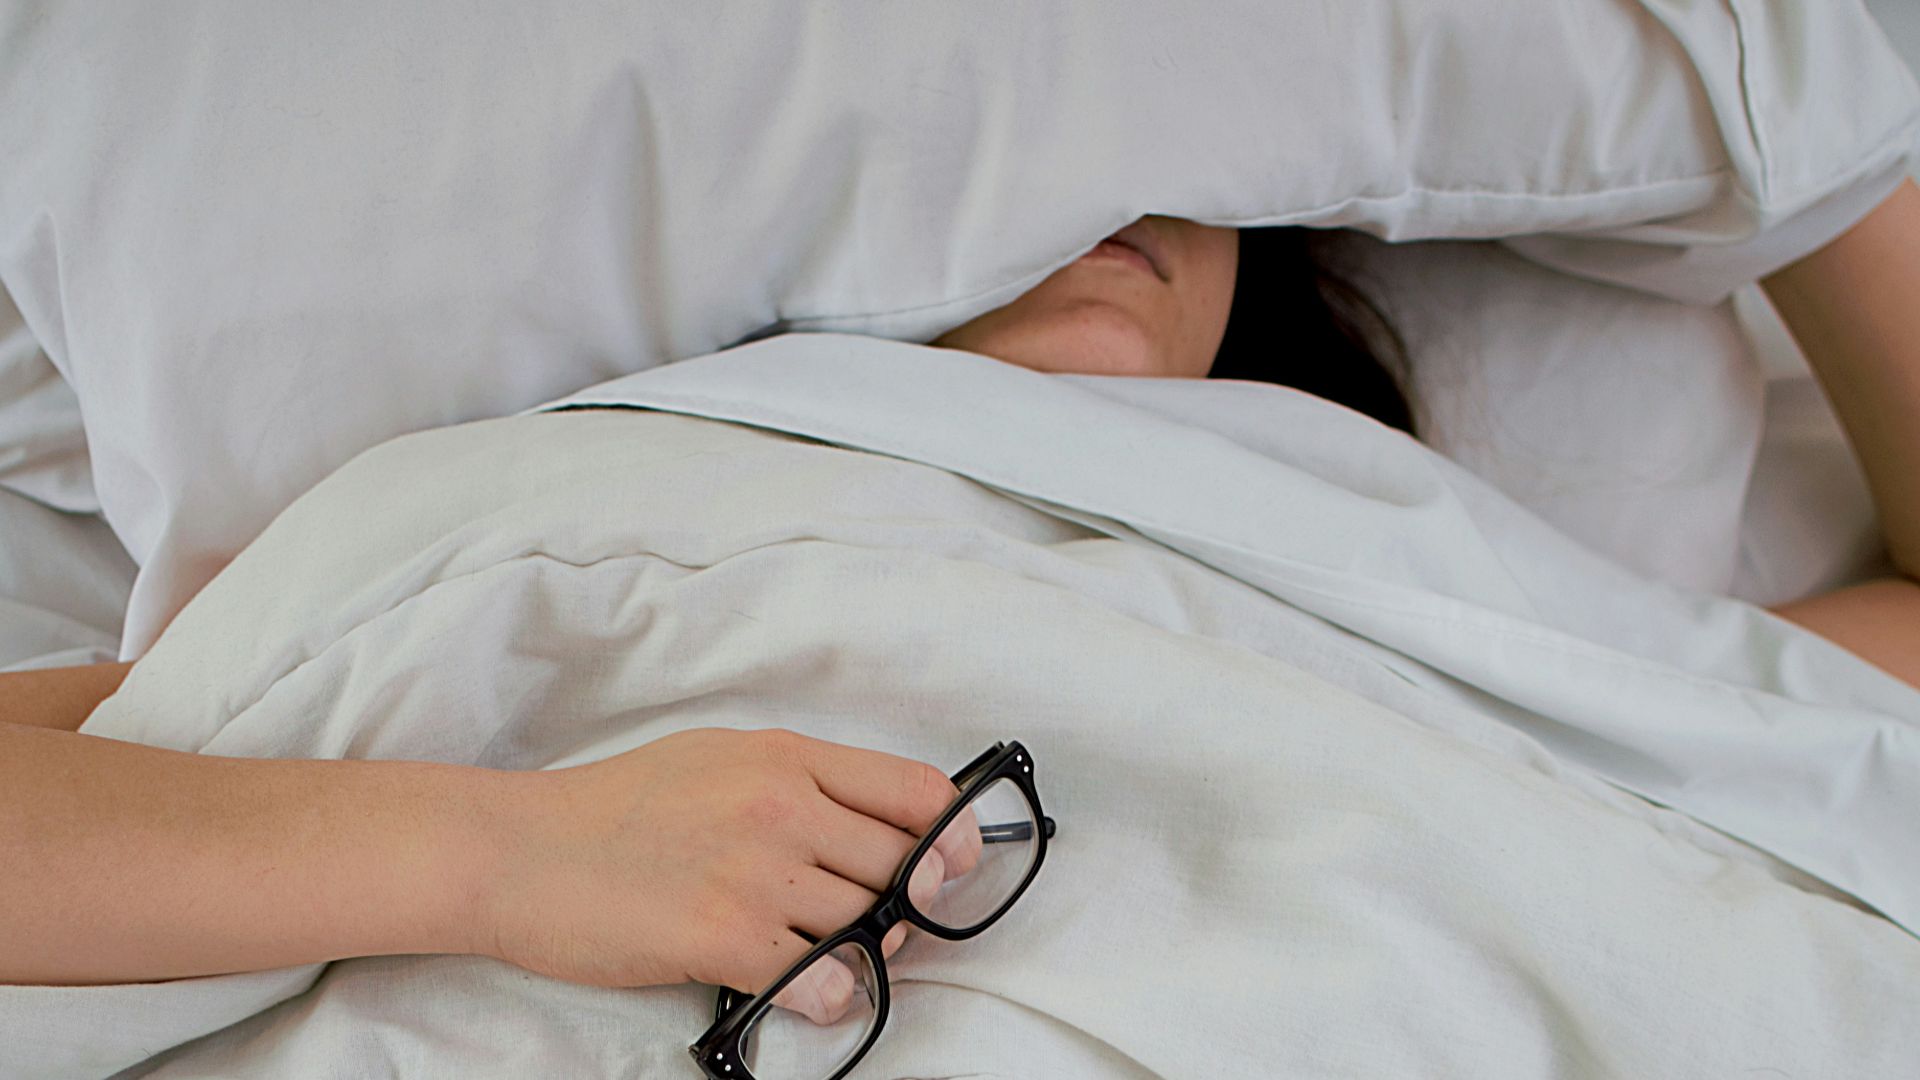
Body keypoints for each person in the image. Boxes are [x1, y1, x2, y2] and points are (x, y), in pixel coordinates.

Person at [4, 185, 1919, 1008]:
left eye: (1176, 145)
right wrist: (511, 858)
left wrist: (1797, 106)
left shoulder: (1411, 570)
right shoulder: (591, 500)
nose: (1113, 195)